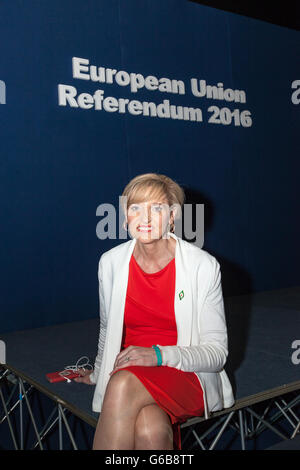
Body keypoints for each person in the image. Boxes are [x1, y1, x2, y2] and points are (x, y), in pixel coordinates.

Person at [75, 173, 234, 450]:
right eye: (135, 208)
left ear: (173, 216)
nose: (144, 218)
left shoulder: (202, 266)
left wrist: (158, 354)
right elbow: (106, 327)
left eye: (157, 209)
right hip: (130, 365)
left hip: (185, 370)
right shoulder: (110, 262)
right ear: (125, 216)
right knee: (150, 429)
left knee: (122, 384)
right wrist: (97, 372)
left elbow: (217, 353)